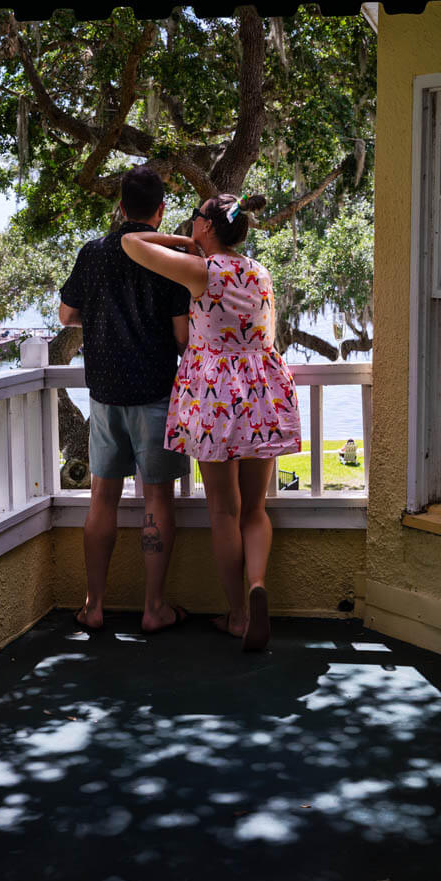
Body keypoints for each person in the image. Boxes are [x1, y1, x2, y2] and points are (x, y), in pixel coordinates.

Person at [121, 193, 301, 651]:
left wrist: (183, 240)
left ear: (207, 228)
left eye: (197, 217)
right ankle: (258, 583)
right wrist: (200, 234)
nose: (192, 221)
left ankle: (238, 615)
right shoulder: (259, 272)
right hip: (261, 393)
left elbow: (132, 244)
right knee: (255, 509)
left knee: (224, 510)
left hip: (218, 398)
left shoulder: (204, 271)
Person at [58, 166, 191, 634]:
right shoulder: (167, 259)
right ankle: (154, 608)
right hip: (155, 395)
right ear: (161, 211)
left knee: (102, 498)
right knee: (156, 500)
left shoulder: (92, 254)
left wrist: (100, 320)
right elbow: (181, 336)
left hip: (105, 396)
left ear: (119, 206)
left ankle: (93, 606)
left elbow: (66, 313)